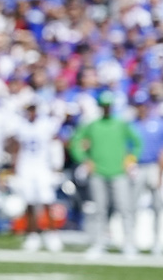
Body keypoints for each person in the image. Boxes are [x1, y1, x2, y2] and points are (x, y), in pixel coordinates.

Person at [69, 91, 142, 258]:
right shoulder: (93, 125)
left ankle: (129, 243)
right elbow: (75, 143)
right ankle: (98, 243)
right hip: (98, 172)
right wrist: (84, 160)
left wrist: (131, 159)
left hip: (119, 172)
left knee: (125, 208)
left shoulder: (120, 124)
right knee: (99, 209)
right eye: (104, 105)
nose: (107, 108)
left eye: (109, 105)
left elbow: (137, 143)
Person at [7, 101, 64, 252]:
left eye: (33, 110)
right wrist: (14, 168)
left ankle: (52, 234)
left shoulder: (46, 124)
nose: (31, 113)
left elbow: (55, 144)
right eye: (29, 110)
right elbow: (15, 147)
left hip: (43, 166)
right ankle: (33, 234)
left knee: (47, 201)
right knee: (30, 202)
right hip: (26, 167)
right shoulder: (21, 125)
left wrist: (56, 165)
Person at [131, 98, 163, 255]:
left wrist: (160, 173)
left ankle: (157, 241)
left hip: (154, 166)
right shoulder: (132, 125)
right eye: (139, 105)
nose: (142, 108)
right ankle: (132, 241)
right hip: (137, 167)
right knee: (133, 205)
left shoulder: (158, 124)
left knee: (158, 206)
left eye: (144, 105)